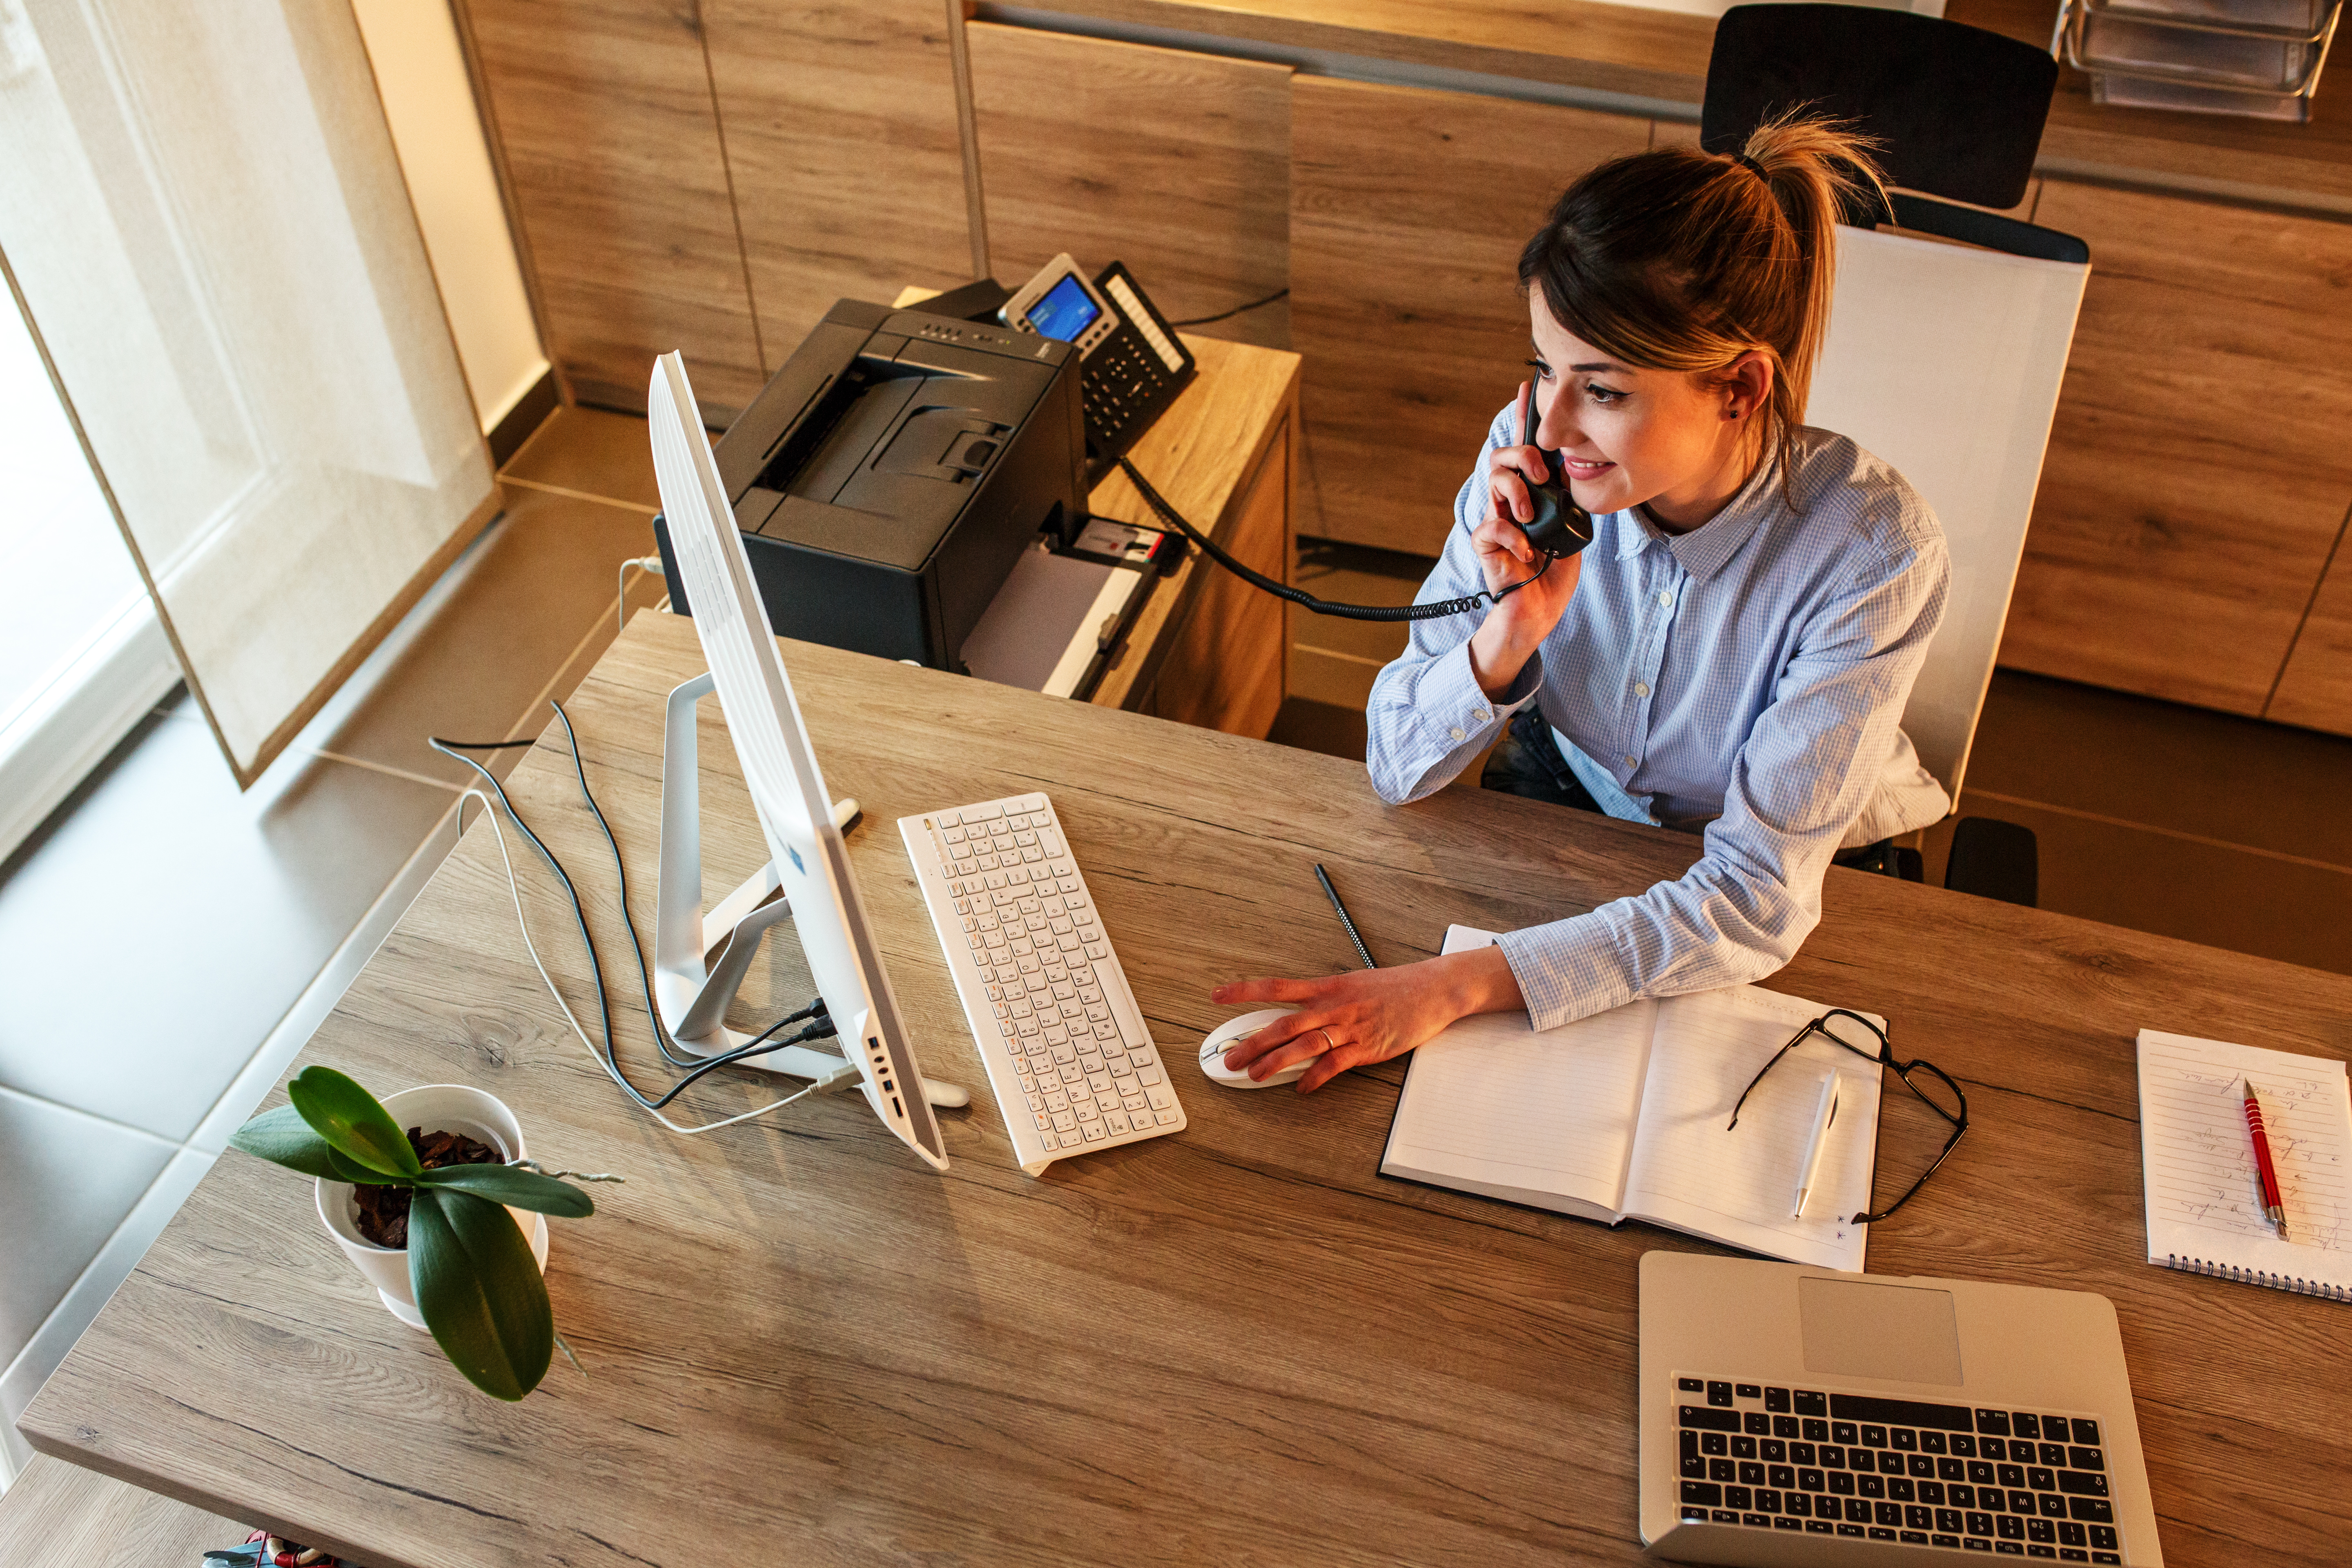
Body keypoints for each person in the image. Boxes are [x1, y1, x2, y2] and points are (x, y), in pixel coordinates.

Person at [1216, 114, 1951, 1091]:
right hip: (1580, 797)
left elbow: (1755, 900)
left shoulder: (1869, 552)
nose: (1553, 424)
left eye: (1602, 390)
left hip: (1790, 868)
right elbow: (1398, 767)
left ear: (1739, 389)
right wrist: (1509, 630)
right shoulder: (1531, 457)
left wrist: (1456, 986)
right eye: (1543, 370)